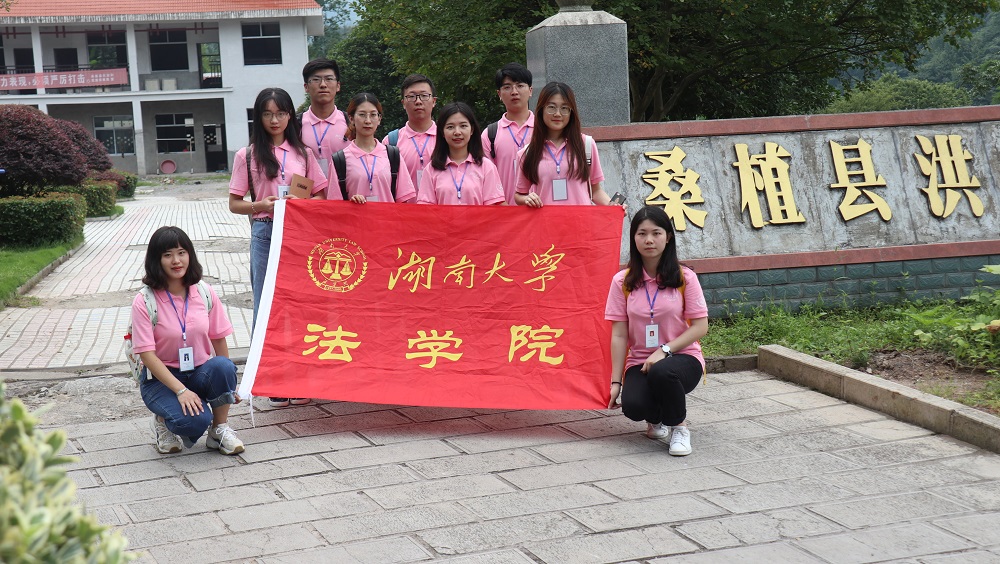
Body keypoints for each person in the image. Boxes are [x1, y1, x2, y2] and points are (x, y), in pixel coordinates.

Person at [228, 87, 327, 408]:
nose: (274, 120)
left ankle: (298, 377)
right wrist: (260, 204)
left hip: (299, 235)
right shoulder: (247, 155)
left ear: (289, 116)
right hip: (265, 232)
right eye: (268, 114)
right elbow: (234, 203)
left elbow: (321, 195)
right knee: (266, 305)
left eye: (281, 113)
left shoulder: (304, 154)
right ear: (259, 117)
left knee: (299, 304)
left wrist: (302, 204)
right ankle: (271, 378)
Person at [605, 206, 709, 456]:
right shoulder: (622, 281)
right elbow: (619, 335)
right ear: (634, 238)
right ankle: (657, 418)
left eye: (656, 233)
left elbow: (700, 327)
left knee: (663, 371)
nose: (649, 240)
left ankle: (679, 428)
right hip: (640, 362)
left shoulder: (685, 278)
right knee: (633, 406)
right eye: (642, 234)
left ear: (668, 237)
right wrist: (616, 382)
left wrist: (664, 350)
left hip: (683, 358)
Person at [132, 226, 244, 455]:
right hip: (161, 379)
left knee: (223, 366)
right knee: (194, 422)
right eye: (168, 255)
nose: (176, 260)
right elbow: (146, 355)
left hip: (200, 371)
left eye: (181, 252)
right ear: (156, 260)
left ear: (190, 255)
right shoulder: (144, 300)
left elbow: (218, 339)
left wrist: (229, 385)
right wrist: (181, 391)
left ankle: (219, 430)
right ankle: (162, 422)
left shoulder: (204, 292)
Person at [514, 82, 618, 208]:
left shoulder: (586, 145)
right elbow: (519, 195)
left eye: (564, 108)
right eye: (551, 107)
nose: (558, 114)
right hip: (546, 220)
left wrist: (613, 207)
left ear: (571, 112)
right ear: (541, 110)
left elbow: (595, 191)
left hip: (581, 220)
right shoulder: (528, 153)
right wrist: (527, 199)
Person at [327, 93, 416, 203]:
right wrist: (351, 203)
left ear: (379, 119)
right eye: (362, 115)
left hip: (387, 214)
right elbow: (335, 205)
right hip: (355, 215)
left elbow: (403, 201)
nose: (368, 121)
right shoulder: (339, 160)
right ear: (351, 118)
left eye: (373, 115)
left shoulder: (393, 155)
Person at [418, 102, 504, 205]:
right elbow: (426, 210)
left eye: (463, 126)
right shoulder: (431, 169)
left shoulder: (486, 167)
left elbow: (494, 208)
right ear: (442, 132)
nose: (457, 132)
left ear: (472, 129)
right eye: (450, 127)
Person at [482, 63, 534, 204]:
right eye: (507, 87)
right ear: (499, 94)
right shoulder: (489, 135)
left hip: (540, 211)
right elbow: (485, 180)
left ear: (530, 91)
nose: (514, 92)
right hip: (504, 212)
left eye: (520, 85)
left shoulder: (544, 130)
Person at [383, 74, 437, 191]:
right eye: (412, 96)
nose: (418, 101)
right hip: (403, 203)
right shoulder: (391, 142)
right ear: (403, 103)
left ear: (434, 101)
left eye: (424, 96)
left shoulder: (446, 139)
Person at [299, 58, 350, 172]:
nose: (323, 85)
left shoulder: (351, 123)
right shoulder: (295, 125)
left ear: (338, 86)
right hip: (308, 184)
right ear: (306, 87)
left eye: (329, 79)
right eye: (316, 79)